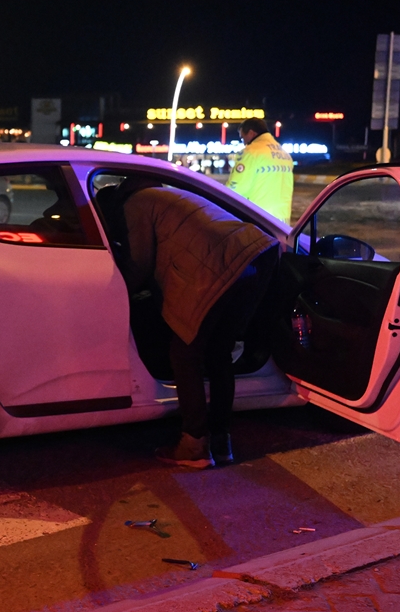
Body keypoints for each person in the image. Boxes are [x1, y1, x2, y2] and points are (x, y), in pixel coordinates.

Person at [102, 178, 278, 468]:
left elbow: (140, 263)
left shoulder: (133, 204)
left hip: (220, 264)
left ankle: (194, 445)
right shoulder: (164, 195)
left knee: (184, 354)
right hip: (257, 254)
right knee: (219, 353)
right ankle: (221, 441)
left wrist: (115, 294)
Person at [227, 117, 293, 223]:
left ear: (251, 133)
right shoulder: (285, 154)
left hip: (259, 219)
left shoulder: (250, 152)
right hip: (282, 220)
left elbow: (236, 188)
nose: (244, 143)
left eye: (243, 138)